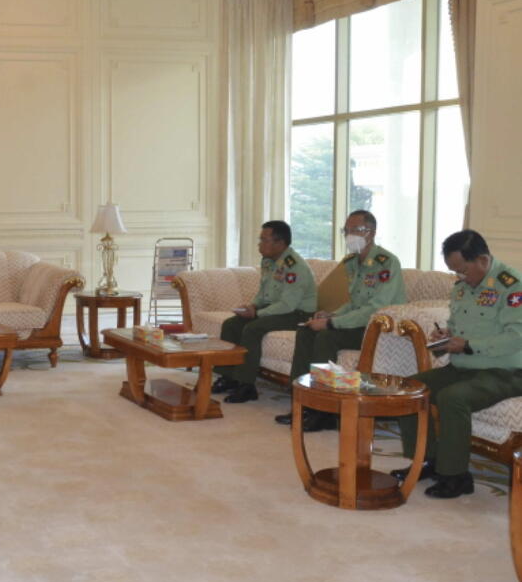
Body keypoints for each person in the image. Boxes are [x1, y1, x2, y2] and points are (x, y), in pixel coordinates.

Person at [387, 230, 522, 499]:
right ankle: (427, 461)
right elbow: (460, 325)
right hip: (461, 366)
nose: (458, 277)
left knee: (453, 398)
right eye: (454, 272)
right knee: (408, 387)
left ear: (482, 260)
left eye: (461, 270)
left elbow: (515, 337)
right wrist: (446, 336)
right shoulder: (462, 288)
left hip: (504, 371)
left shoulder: (512, 286)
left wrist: (469, 344)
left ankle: (456, 476)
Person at [275, 210, 406, 431]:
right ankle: (302, 403)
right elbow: (355, 303)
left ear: (371, 233)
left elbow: (375, 309)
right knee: (306, 331)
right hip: (358, 323)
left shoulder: (386, 263)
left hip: (378, 330)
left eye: (355, 230)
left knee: (326, 337)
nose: (349, 235)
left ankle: (324, 412)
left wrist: (332, 324)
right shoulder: (354, 263)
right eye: (346, 230)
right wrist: (332, 314)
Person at [211, 221, 317, 403]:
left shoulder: (295, 267)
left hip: (297, 314)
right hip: (276, 309)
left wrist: (257, 314)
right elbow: (264, 293)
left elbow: (287, 305)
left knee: (253, 328)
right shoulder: (269, 261)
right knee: (231, 324)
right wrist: (252, 306)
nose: (259, 244)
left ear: (280, 243)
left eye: (264, 240)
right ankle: (228, 377)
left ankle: (246, 385)